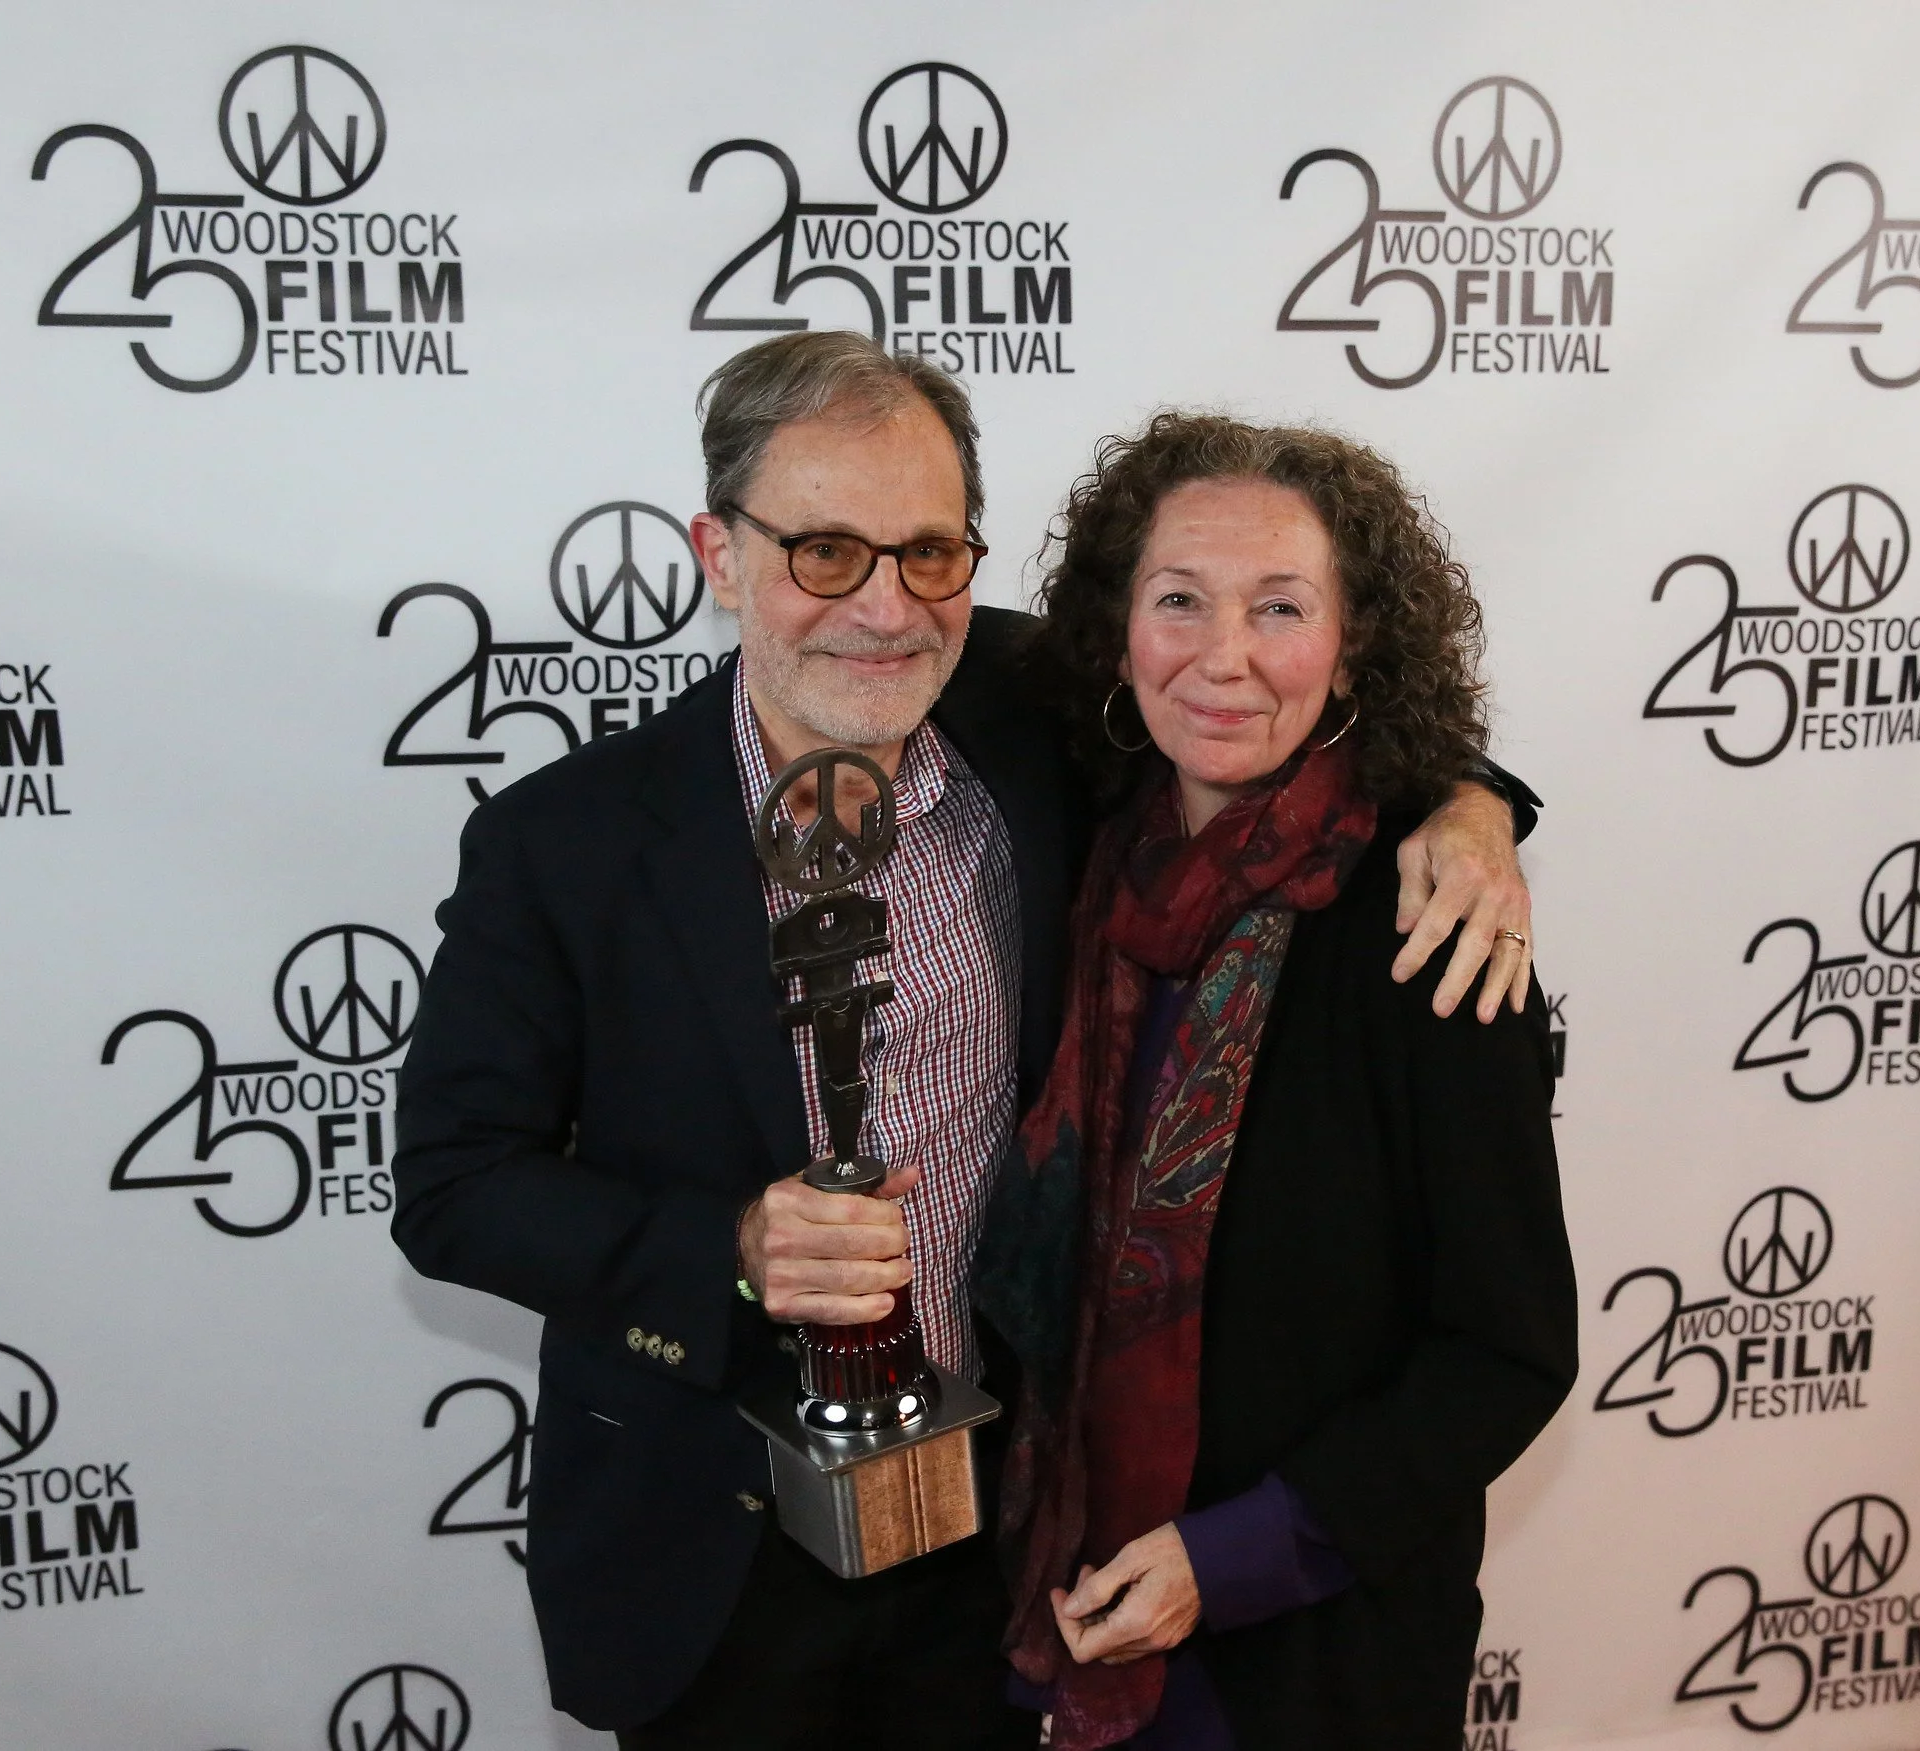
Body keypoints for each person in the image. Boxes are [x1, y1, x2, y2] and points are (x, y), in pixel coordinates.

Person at [389, 333, 1539, 1750]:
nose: (883, 608)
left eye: (930, 553)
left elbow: (1277, 698)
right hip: (721, 1552)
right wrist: (730, 1245)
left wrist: (1472, 806)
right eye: (823, 551)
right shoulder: (562, 844)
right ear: (718, 552)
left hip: (999, 1541)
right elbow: (451, 1183)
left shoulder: (1026, 716)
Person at [980, 413, 1578, 1750]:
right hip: (1055, 1606)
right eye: (1178, 599)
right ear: (1112, 622)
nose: (1223, 656)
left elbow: (1505, 1348)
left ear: (1352, 639)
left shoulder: (1430, 928)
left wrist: (1235, 1554)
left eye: (1280, 607)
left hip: (1304, 1660)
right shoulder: (1072, 837)